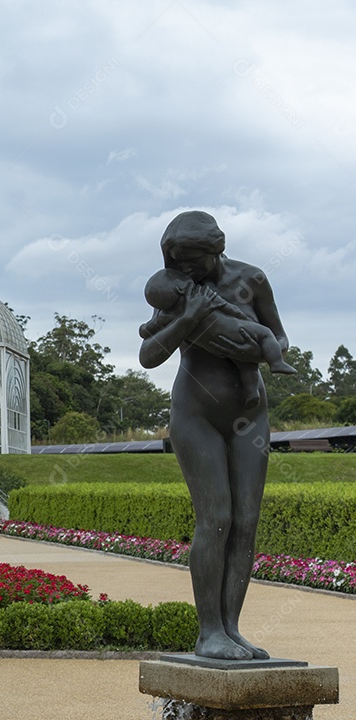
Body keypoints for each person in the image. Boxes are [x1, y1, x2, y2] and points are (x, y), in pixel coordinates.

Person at [139, 210, 288, 661]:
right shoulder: (175, 287)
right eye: (176, 260)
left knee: (245, 521)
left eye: (191, 261)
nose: (182, 269)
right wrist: (189, 320)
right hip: (195, 412)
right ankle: (209, 633)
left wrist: (252, 347)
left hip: (250, 413)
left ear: (215, 250)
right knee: (216, 518)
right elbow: (148, 354)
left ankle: (232, 629)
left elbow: (279, 336)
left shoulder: (252, 280)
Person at [140, 267, 296, 409]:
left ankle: (253, 388)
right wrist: (242, 319)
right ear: (181, 287)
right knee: (264, 337)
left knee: (244, 359)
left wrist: (145, 329)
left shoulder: (170, 313)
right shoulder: (204, 295)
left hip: (214, 342)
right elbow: (227, 307)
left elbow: (153, 325)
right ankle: (272, 367)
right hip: (234, 329)